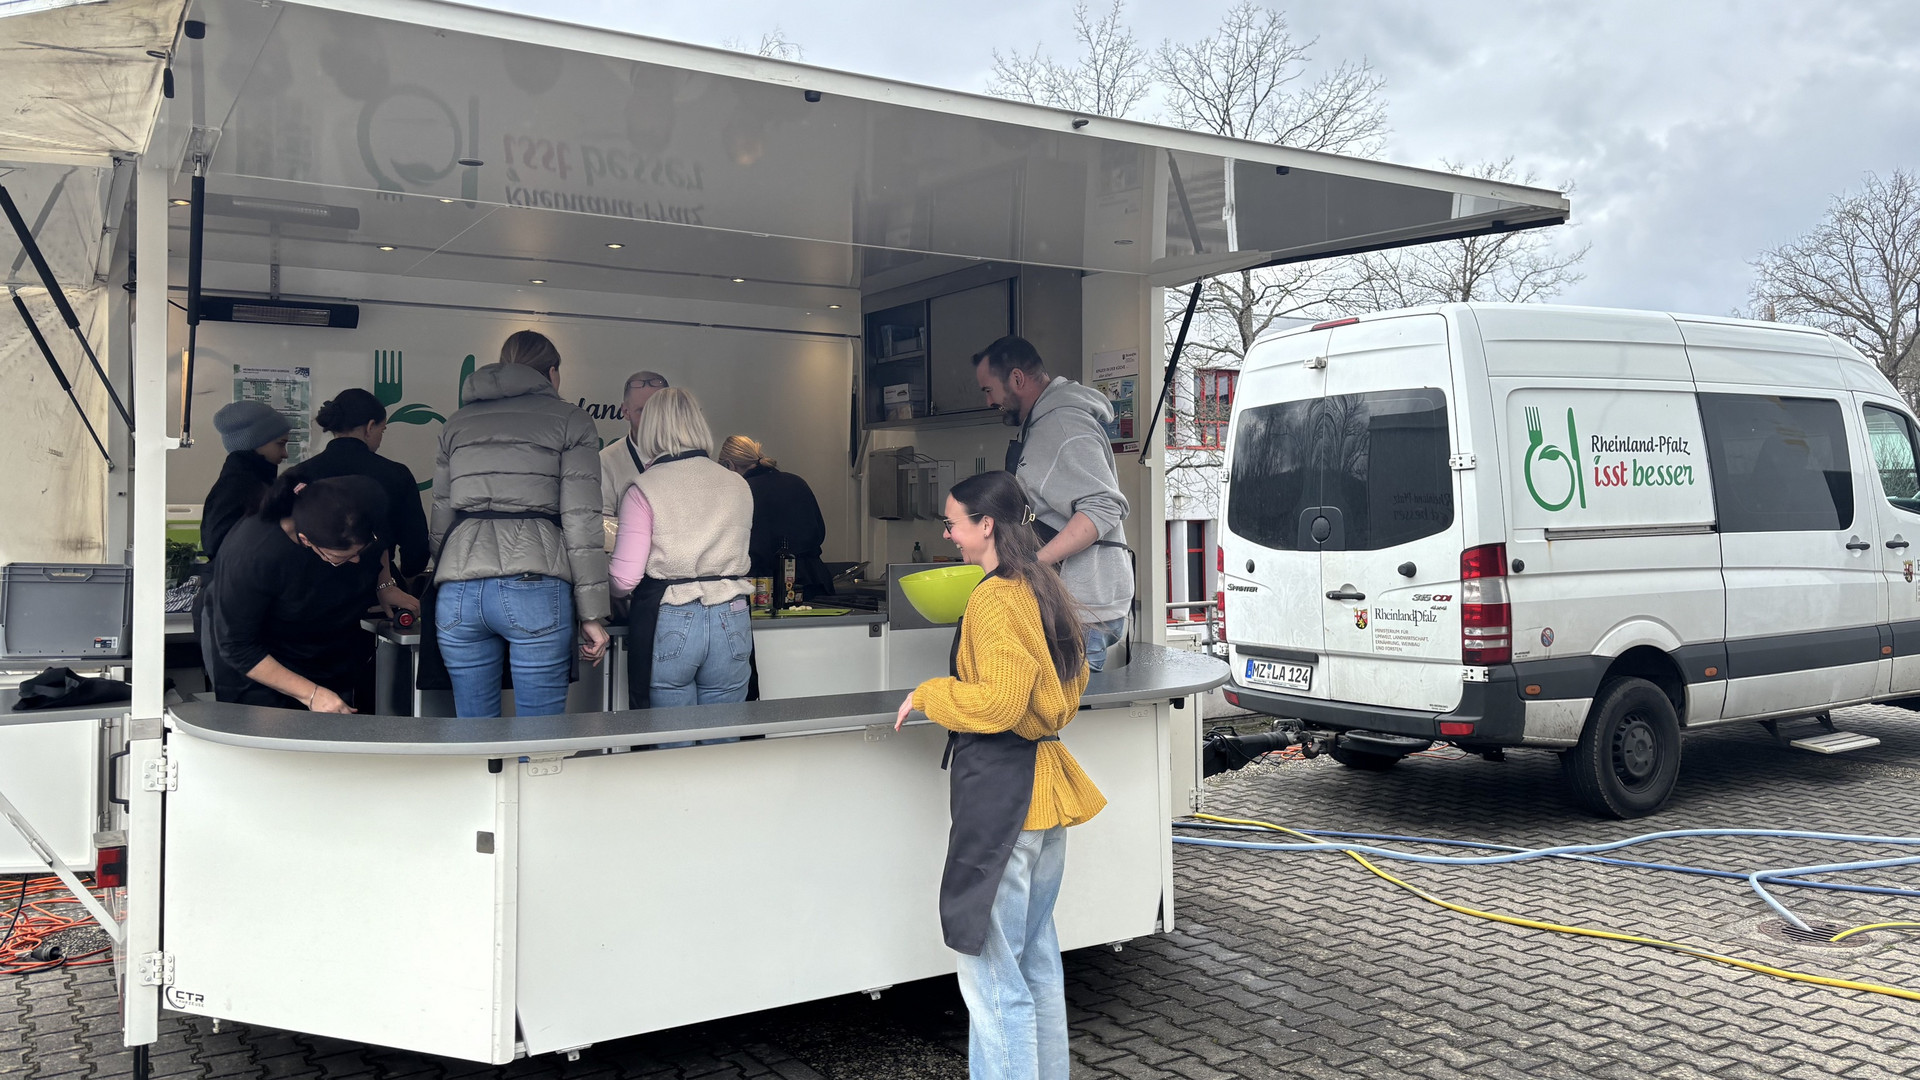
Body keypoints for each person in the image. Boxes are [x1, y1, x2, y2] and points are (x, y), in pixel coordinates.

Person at [893, 470, 1104, 1080]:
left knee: (992, 979)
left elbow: (1002, 703)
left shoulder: (994, 597)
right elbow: (1061, 691)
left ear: (985, 525)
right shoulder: (1042, 585)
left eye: (954, 522)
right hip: (1043, 795)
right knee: (1034, 963)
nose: (948, 533)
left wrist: (934, 693)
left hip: (1004, 801)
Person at [431, 330, 610, 718]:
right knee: (539, 736)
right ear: (551, 372)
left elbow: (441, 517)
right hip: (535, 584)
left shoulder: (456, 423)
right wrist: (593, 614)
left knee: (475, 734)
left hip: (459, 587)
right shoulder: (571, 420)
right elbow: (581, 523)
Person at [975, 335, 1133, 670]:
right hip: (1070, 607)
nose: (989, 401)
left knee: (1066, 721)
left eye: (989, 390)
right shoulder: (1041, 425)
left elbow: (1103, 506)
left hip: (1081, 612)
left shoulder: (1063, 425)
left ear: (1017, 379)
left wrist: (1033, 563)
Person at [201, 475, 414, 712]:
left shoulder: (365, 499)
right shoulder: (253, 555)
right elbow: (237, 646)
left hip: (326, 644)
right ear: (306, 540)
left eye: (361, 550)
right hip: (261, 662)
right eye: (341, 558)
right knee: (277, 737)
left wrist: (384, 585)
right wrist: (312, 695)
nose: (357, 561)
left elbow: (382, 537)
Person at [608, 389, 754, 707]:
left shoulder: (644, 488)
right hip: (733, 613)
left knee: (672, 741)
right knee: (725, 738)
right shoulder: (738, 484)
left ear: (650, 428)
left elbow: (624, 579)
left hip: (672, 614)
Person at [284, 388, 433, 580]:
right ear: (370, 427)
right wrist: (403, 578)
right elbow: (415, 546)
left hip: (312, 589)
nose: (381, 437)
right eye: (382, 429)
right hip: (378, 587)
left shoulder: (300, 473)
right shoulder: (396, 474)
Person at [717, 434, 831, 600]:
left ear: (729, 465)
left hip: (766, 588)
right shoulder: (797, 482)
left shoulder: (742, 491)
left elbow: (739, 547)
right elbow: (819, 532)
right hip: (814, 582)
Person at [200, 400, 291, 562]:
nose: (285, 454)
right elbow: (217, 545)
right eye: (280, 444)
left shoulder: (246, 480)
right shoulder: (241, 486)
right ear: (254, 442)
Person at [600, 370, 670, 550]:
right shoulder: (606, 461)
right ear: (625, 411)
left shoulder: (688, 459)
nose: (652, 420)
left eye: (659, 411)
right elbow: (603, 528)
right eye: (643, 411)